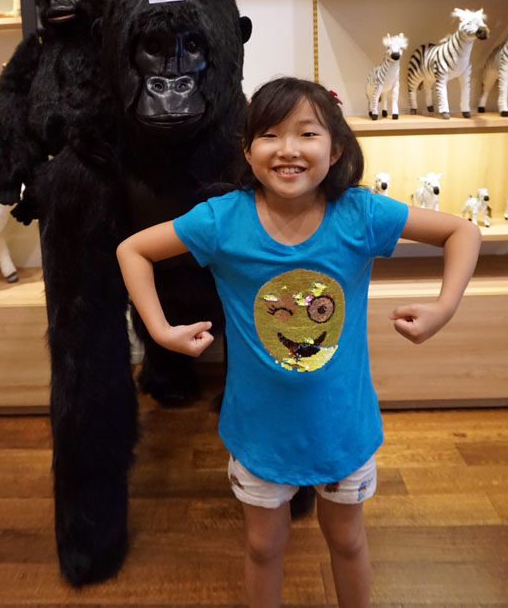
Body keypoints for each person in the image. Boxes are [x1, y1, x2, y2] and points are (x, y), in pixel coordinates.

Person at [116, 76, 481, 608]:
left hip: (343, 428)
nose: (287, 149)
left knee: (348, 540)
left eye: (307, 133)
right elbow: (133, 250)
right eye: (269, 134)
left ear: (335, 150)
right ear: (247, 151)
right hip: (258, 433)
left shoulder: (360, 214)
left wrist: (444, 307)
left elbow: (462, 231)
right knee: (263, 547)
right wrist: (159, 331)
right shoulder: (222, 220)